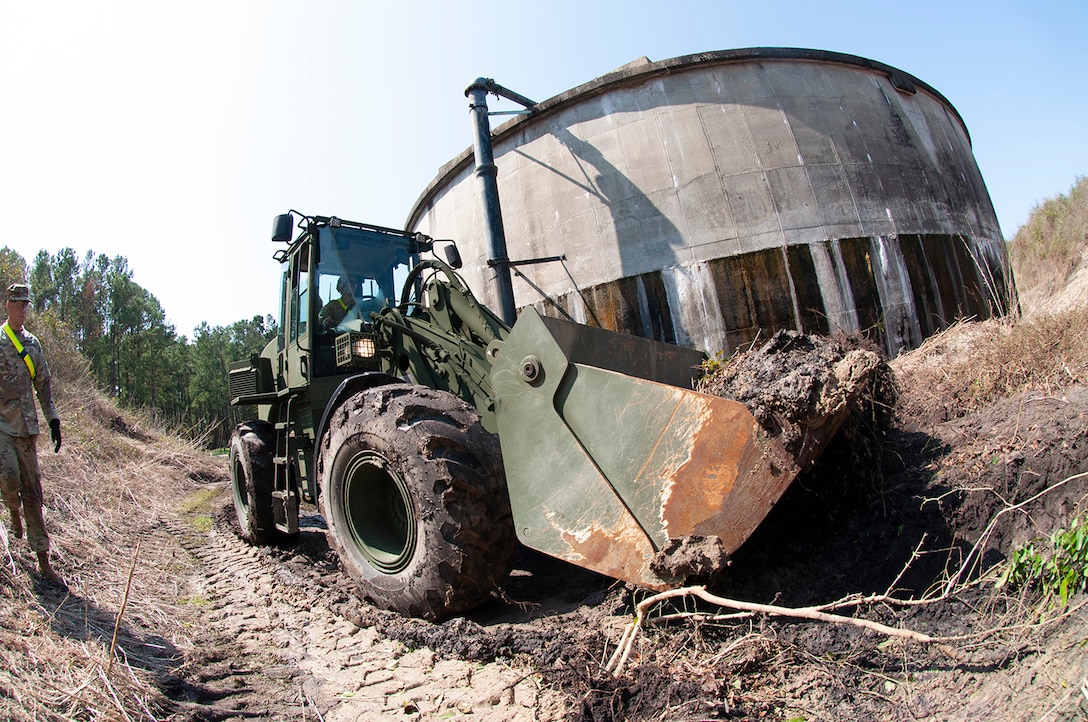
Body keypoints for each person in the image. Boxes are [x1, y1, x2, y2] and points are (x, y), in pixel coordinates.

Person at [0, 282, 62, 584]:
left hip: (27, 429)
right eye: (18, 302)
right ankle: (12, 510)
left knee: (34, 496)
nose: (23, 308)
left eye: (27, 303)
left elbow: (44, 385)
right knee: (10, 480)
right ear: (8, 304)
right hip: (2, 426)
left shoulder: (33, 345)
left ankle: (42, 560)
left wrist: (53, 420)